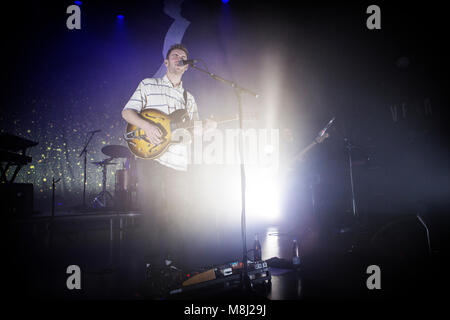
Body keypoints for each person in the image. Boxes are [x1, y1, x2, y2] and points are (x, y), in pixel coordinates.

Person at [121, 44, 216, 270]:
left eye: (184, 57)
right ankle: (152, 264)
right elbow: (127, 112)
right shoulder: (148, 84)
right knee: (152, 209)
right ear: (166, 62)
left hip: (178, 161)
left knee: (179, 212)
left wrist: (205, 128)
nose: (180, 59)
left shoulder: (189, 98)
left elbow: (190, 132)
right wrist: (148, 127)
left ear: (187, 66)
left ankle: (177, 264)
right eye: (175, 56)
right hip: (151, 157)